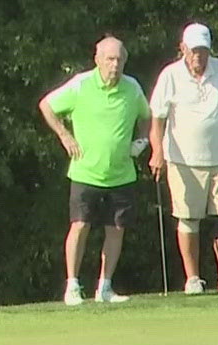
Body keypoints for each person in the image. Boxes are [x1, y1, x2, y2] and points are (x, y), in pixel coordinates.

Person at [39, 35, 152, 305]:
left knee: (116, 229)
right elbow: (47, 105)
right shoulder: (81, 84)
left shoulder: (132, 88)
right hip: (85, 172)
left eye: (120, 60)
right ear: (98, 60)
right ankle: (73, 285)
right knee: (80, 226)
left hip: (121, 173)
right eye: (110, 59)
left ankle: (105, 286)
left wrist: (142, 141)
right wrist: (65, 136)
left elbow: (146, 116)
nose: (115, 65)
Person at [148, 22, 218, 294]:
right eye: (194, 51)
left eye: (203, 51)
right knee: (188, 220)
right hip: (183, 162)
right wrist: (157, 152)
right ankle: (193, 279)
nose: (199, 57)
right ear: (183, 49)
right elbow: (157, 120)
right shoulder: (170, 75)